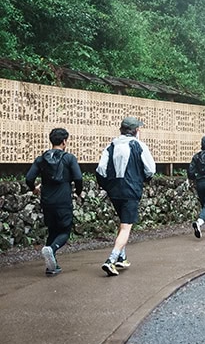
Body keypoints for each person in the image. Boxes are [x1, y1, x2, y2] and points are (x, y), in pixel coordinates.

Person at [96, 116, 156, 277]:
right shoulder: (138, 145)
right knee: (126, 226)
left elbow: (101, 170)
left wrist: (108, 186)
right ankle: (111, 259)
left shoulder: (111, 145)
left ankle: (122, 257)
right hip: (131, 190)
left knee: (122, 223)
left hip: (114, 191)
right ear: (136, 130)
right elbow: (151, 169)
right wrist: (142, 179)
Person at [25, 128, 83, 276]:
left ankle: (52, 266)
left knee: (52, 230)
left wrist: (34, 189)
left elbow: (29, 178)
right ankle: (53, 249)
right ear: (64, 142)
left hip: (47, 200)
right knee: (64, 231)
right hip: (63, 200)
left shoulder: (41, 159)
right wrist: (78, 192)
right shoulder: (69, 158)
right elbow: (78, 178)